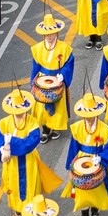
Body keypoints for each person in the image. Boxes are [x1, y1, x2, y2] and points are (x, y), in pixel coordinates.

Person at [0, 88, 62, 216]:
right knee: (13, 184)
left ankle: (29, 209)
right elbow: (0, 139)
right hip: (12, 161)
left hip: (28, 159)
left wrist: (11, 142)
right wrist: (3, 149)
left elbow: (31, 142)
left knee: (30, 184)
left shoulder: (32, 122)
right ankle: (18, 209)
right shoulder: (4, 123)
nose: (19, 113)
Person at [61, 93, 108, 216]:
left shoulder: (104, 129)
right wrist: (71, 165)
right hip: (81, 160)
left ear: (96, 114)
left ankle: (95, 211)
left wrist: (101, 158)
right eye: (85, 116)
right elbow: (74, 147)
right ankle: (83, 215)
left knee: (96, 188)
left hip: (97, 160)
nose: (88, 118)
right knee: (82, 189)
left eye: (90, 115)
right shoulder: (77, 127)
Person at [29, 13, 74, 142]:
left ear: (56, 33)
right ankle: (45, 130)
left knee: (58, 105)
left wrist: (63, 74)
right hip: (42, 80)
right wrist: (32, 82)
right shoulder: (37, 49)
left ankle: (55, 128)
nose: (49, 36)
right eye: (47, 34)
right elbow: (35, 67)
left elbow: (69, 63)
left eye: (52, 34)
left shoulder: (64, 48)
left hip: (57, 79)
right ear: (43, 35)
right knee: (41, 107)